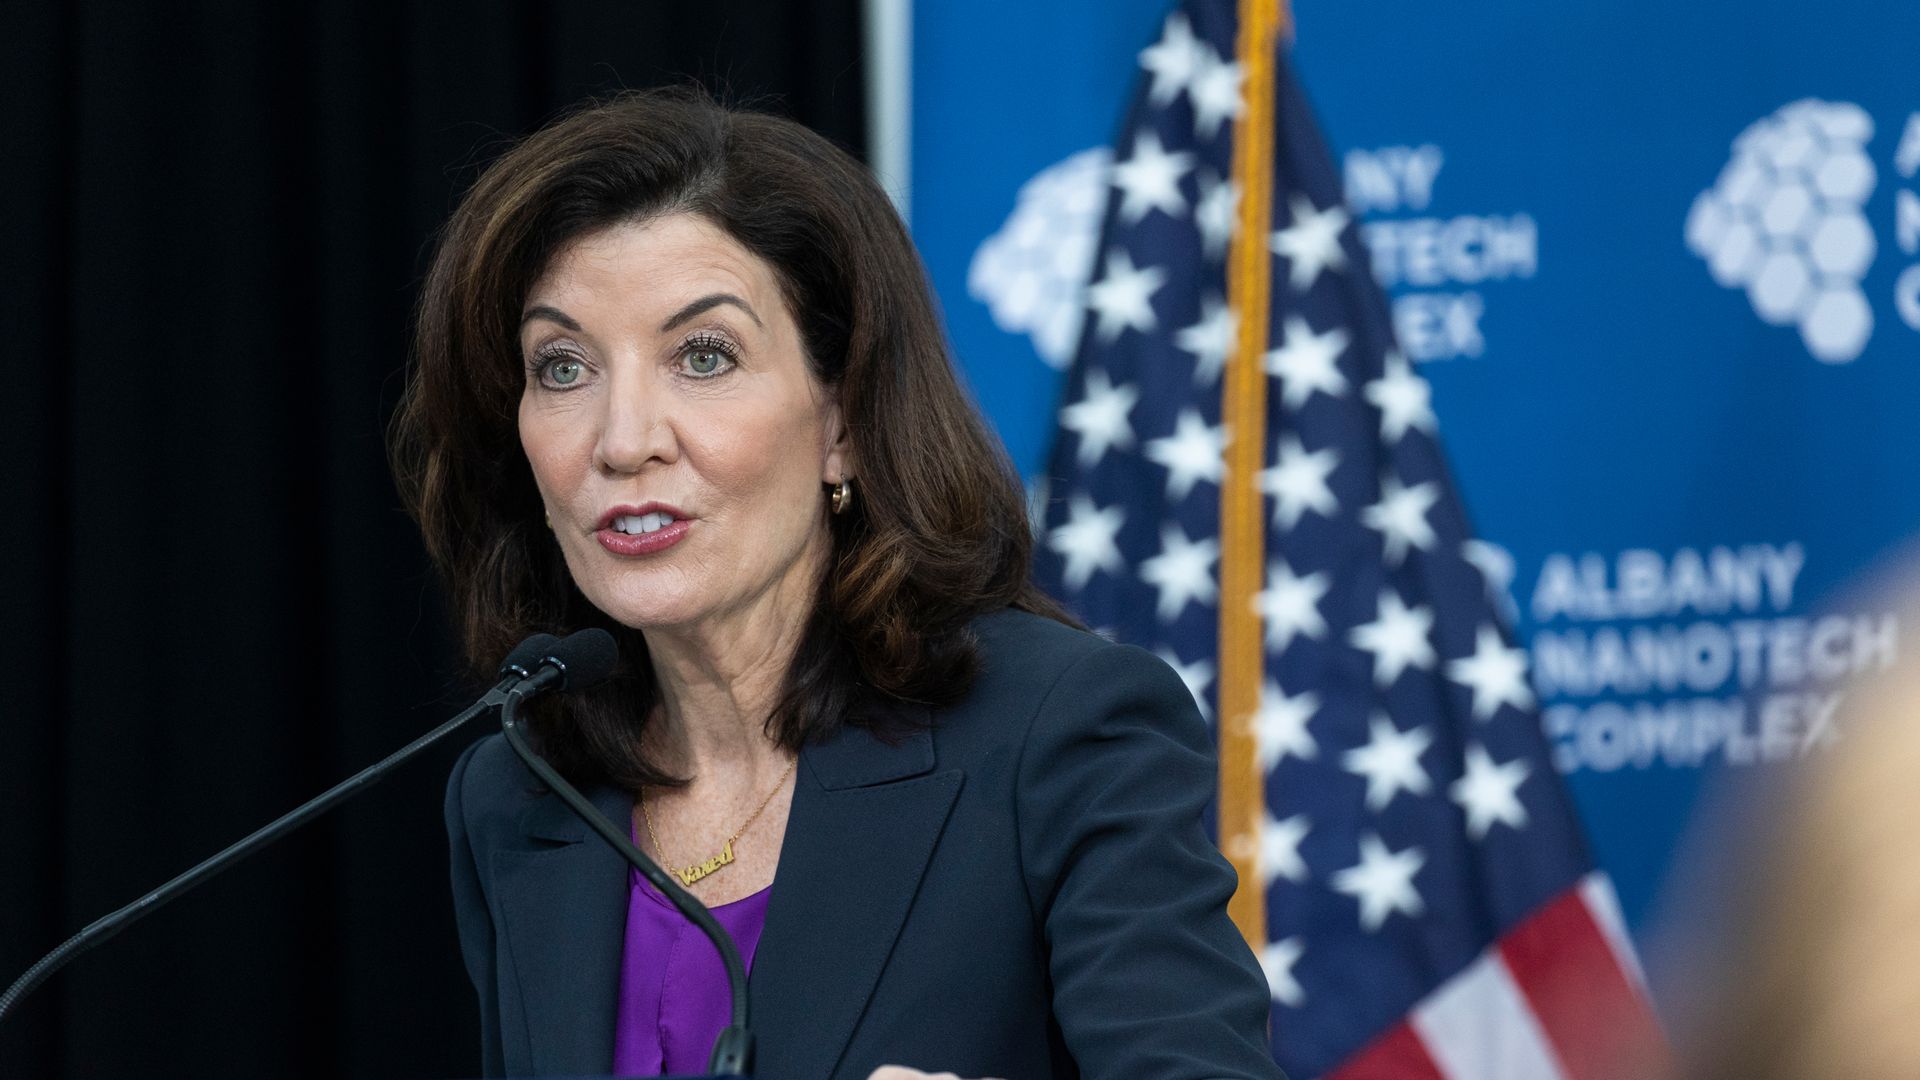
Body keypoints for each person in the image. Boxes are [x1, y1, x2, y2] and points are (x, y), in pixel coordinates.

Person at [389, 89, 1283, 1080]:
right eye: (562, 367)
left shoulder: (1056, 734)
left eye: (704, 356)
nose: (623, 439)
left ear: (844, 420)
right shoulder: (520, 796)